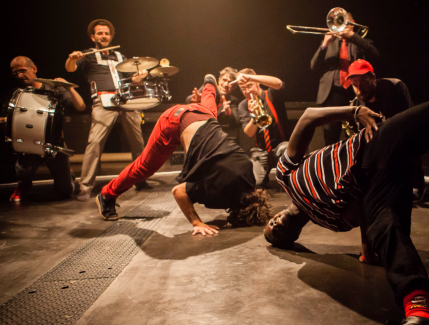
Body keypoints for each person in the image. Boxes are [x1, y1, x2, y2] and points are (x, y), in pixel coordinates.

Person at [265, 89, 429, 324]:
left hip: (371, 146)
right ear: (294, 238)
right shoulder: (333, 223)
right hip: (379, 181)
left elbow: (309, 116)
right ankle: (420, 308)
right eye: (276, 235)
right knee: (386, 229)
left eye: (270, 224)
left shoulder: (285, 176)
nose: (275, 226)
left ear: (275, 214)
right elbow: (366, 207)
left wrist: (355, 111)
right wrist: (368, 248)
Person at [96, 75, 272, 234]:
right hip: (173, 122)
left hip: (202, 114)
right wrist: (196, 222)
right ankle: (106, 195)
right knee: (145, 167)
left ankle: (210, 86)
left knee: (210, 110)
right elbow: (179, 192)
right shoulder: (221, 190)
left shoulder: (249, 176)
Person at [65, 19, 151, 201]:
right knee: (95, 143)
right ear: (93, 37)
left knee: (137, 142)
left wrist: (140, 76)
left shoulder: (120, 56)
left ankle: (140, 180)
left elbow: (132, 79)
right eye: (99, 33)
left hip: (125, 100)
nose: (103, 36)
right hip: (103, 100)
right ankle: (85, 186)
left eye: (106, 33)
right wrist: (72, 59)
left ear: (111, 36)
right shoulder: (87, 55)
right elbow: (70, 69)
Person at [2, 56, 85, 202]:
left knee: (65, 192)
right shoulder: (16, 93)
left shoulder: (53, 88)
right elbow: (4, 117)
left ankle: (68, 174)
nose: (20, 76)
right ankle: (24, 184)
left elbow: (81, 106)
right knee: (24, 172)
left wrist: (69, 87)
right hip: (28, 145)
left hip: (54, 143)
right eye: (15, 73)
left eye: (22, 71)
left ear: (34, 69)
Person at [343, 59, 425, 199]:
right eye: (354, 85)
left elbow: (411, 121)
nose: (359, 88)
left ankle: (416, 182)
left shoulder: (395, 87)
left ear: (373, 78)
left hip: (401, 136)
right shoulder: (358, 103)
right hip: (379, 143)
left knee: (411, 141)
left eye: (363, 83)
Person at [311, 11, 379, 146]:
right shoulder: (329, 43)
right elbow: (314, 66)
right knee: (331, 136)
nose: (342, 27)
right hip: (333, 92)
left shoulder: (360, 42)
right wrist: (324, 44)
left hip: (356, 91)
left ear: (352, 25)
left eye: (345, 23)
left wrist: (353, 36)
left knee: (358, 133)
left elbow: (375, 55)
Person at [233, 69, 289, 187]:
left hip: (281, 146)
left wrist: (251, 77)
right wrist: (254, 116)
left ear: (257, 82)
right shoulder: (243, 105)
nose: (247, 91)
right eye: (243, 88)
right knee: (254, 183)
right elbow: (249, 132)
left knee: (285, 149)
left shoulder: (271, 94)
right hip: (261, 151)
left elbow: (279, 83)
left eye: (250, 86)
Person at [186, 67, 241, 144]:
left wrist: (228, 112)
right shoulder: (210, 87)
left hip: (217, 137)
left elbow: (236, 121)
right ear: (219, 80)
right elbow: (188, 99)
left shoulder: (233, 100)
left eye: (230, 82)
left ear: (234, 87)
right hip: (200, 131)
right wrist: (195, 100)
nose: (225, 84)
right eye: (224, 80)